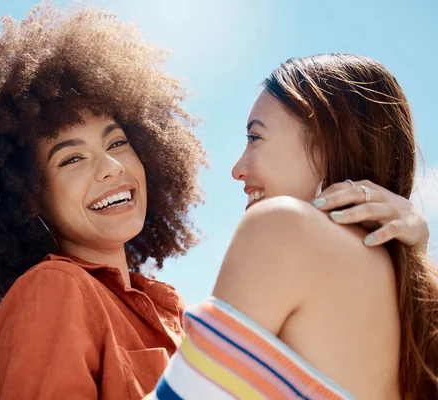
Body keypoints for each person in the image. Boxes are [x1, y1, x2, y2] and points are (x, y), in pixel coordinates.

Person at [0, 5, 431, 399]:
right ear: (22, 196)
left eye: (119, 142)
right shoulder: (53, 290)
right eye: (70, 158)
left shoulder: (177, 312)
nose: (110, 167)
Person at [151, 54, 436, 400]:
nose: (237, 169)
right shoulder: (414, 302)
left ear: (325, 143)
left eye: (255, 138)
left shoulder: (283, 227)